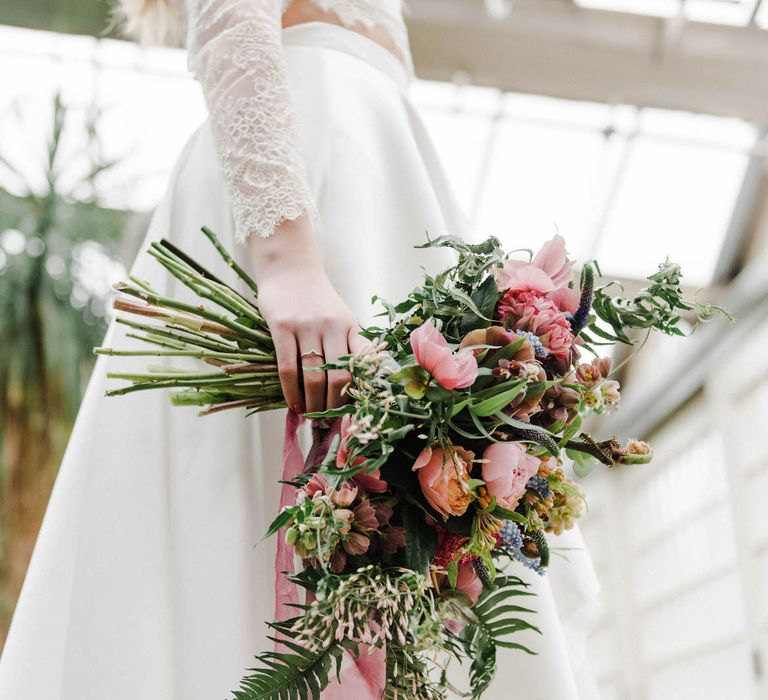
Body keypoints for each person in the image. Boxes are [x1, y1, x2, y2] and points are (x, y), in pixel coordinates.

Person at [0, 1, 601, 697]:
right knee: (244, 503)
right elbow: (233, 15)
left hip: (377, 158)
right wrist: (286, 256)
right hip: (308, 166)